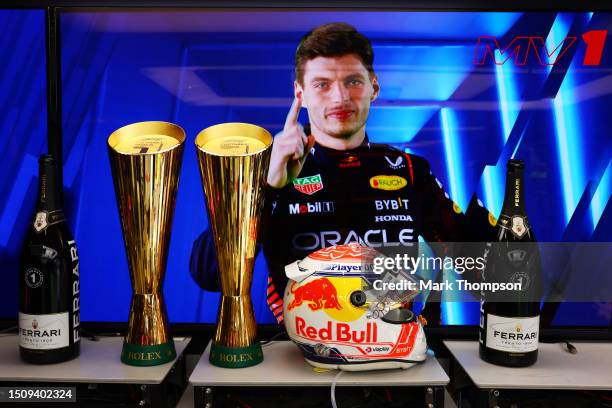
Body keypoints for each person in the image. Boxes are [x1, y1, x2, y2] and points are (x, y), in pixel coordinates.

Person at [191, 22, 495, 325]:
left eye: (352, 81)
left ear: (374, 87)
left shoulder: (410, 170)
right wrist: (266, 187)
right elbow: (209, 276)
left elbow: (492, 271)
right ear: (300, 93)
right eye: (322, 84)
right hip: (297, 355)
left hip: (394, 352)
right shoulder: (268, 171)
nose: (339, 97)